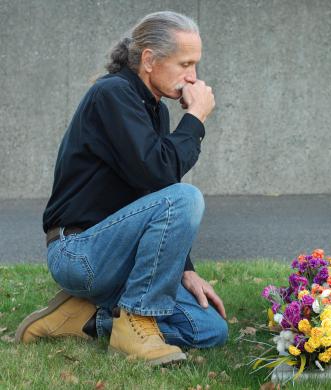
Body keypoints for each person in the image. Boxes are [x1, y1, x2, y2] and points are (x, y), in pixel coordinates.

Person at [15, 11, 228, 366]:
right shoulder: (112, 94)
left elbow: (153, 194)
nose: (193, 77)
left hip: (118, 254)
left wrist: (185, 268)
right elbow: (159, 174)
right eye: (185, 64)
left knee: (209, 329)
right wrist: (195, 120)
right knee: (187, 197)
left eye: (196, 65)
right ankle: (135, 323)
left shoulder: (155, 109)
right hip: (79, 252)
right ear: (149, 60)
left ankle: (86, 317)